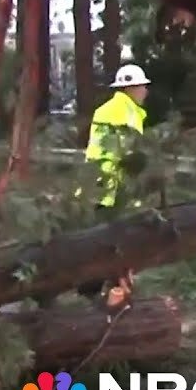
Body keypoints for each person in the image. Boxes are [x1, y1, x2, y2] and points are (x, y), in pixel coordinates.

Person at [78, 63, 151, 301]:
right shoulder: (126, 112)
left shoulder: (110, 108)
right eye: (142, 86)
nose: (145, 91)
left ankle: (105, 286)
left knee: (100, 238)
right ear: (131, 88)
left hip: (96, 182)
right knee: (108, 239)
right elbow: (127, 154)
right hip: (111, 185)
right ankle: (96, 289)